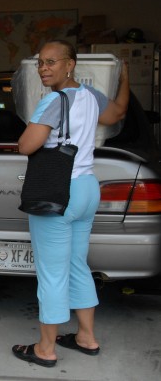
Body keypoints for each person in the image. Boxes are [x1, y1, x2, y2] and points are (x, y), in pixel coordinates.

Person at [12, 40, 129, 367]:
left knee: (51, 273)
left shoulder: (51, 100)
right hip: (88, 188)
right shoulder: (91, 96)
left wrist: (28, 130)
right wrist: (124, 78)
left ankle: (45, 348)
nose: (44, 69)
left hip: (57, 191)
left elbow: (26, 145)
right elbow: (117, 113)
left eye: (52, 62)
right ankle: (86, 337)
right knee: (77, 264)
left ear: (70, 64)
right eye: (40, 63)